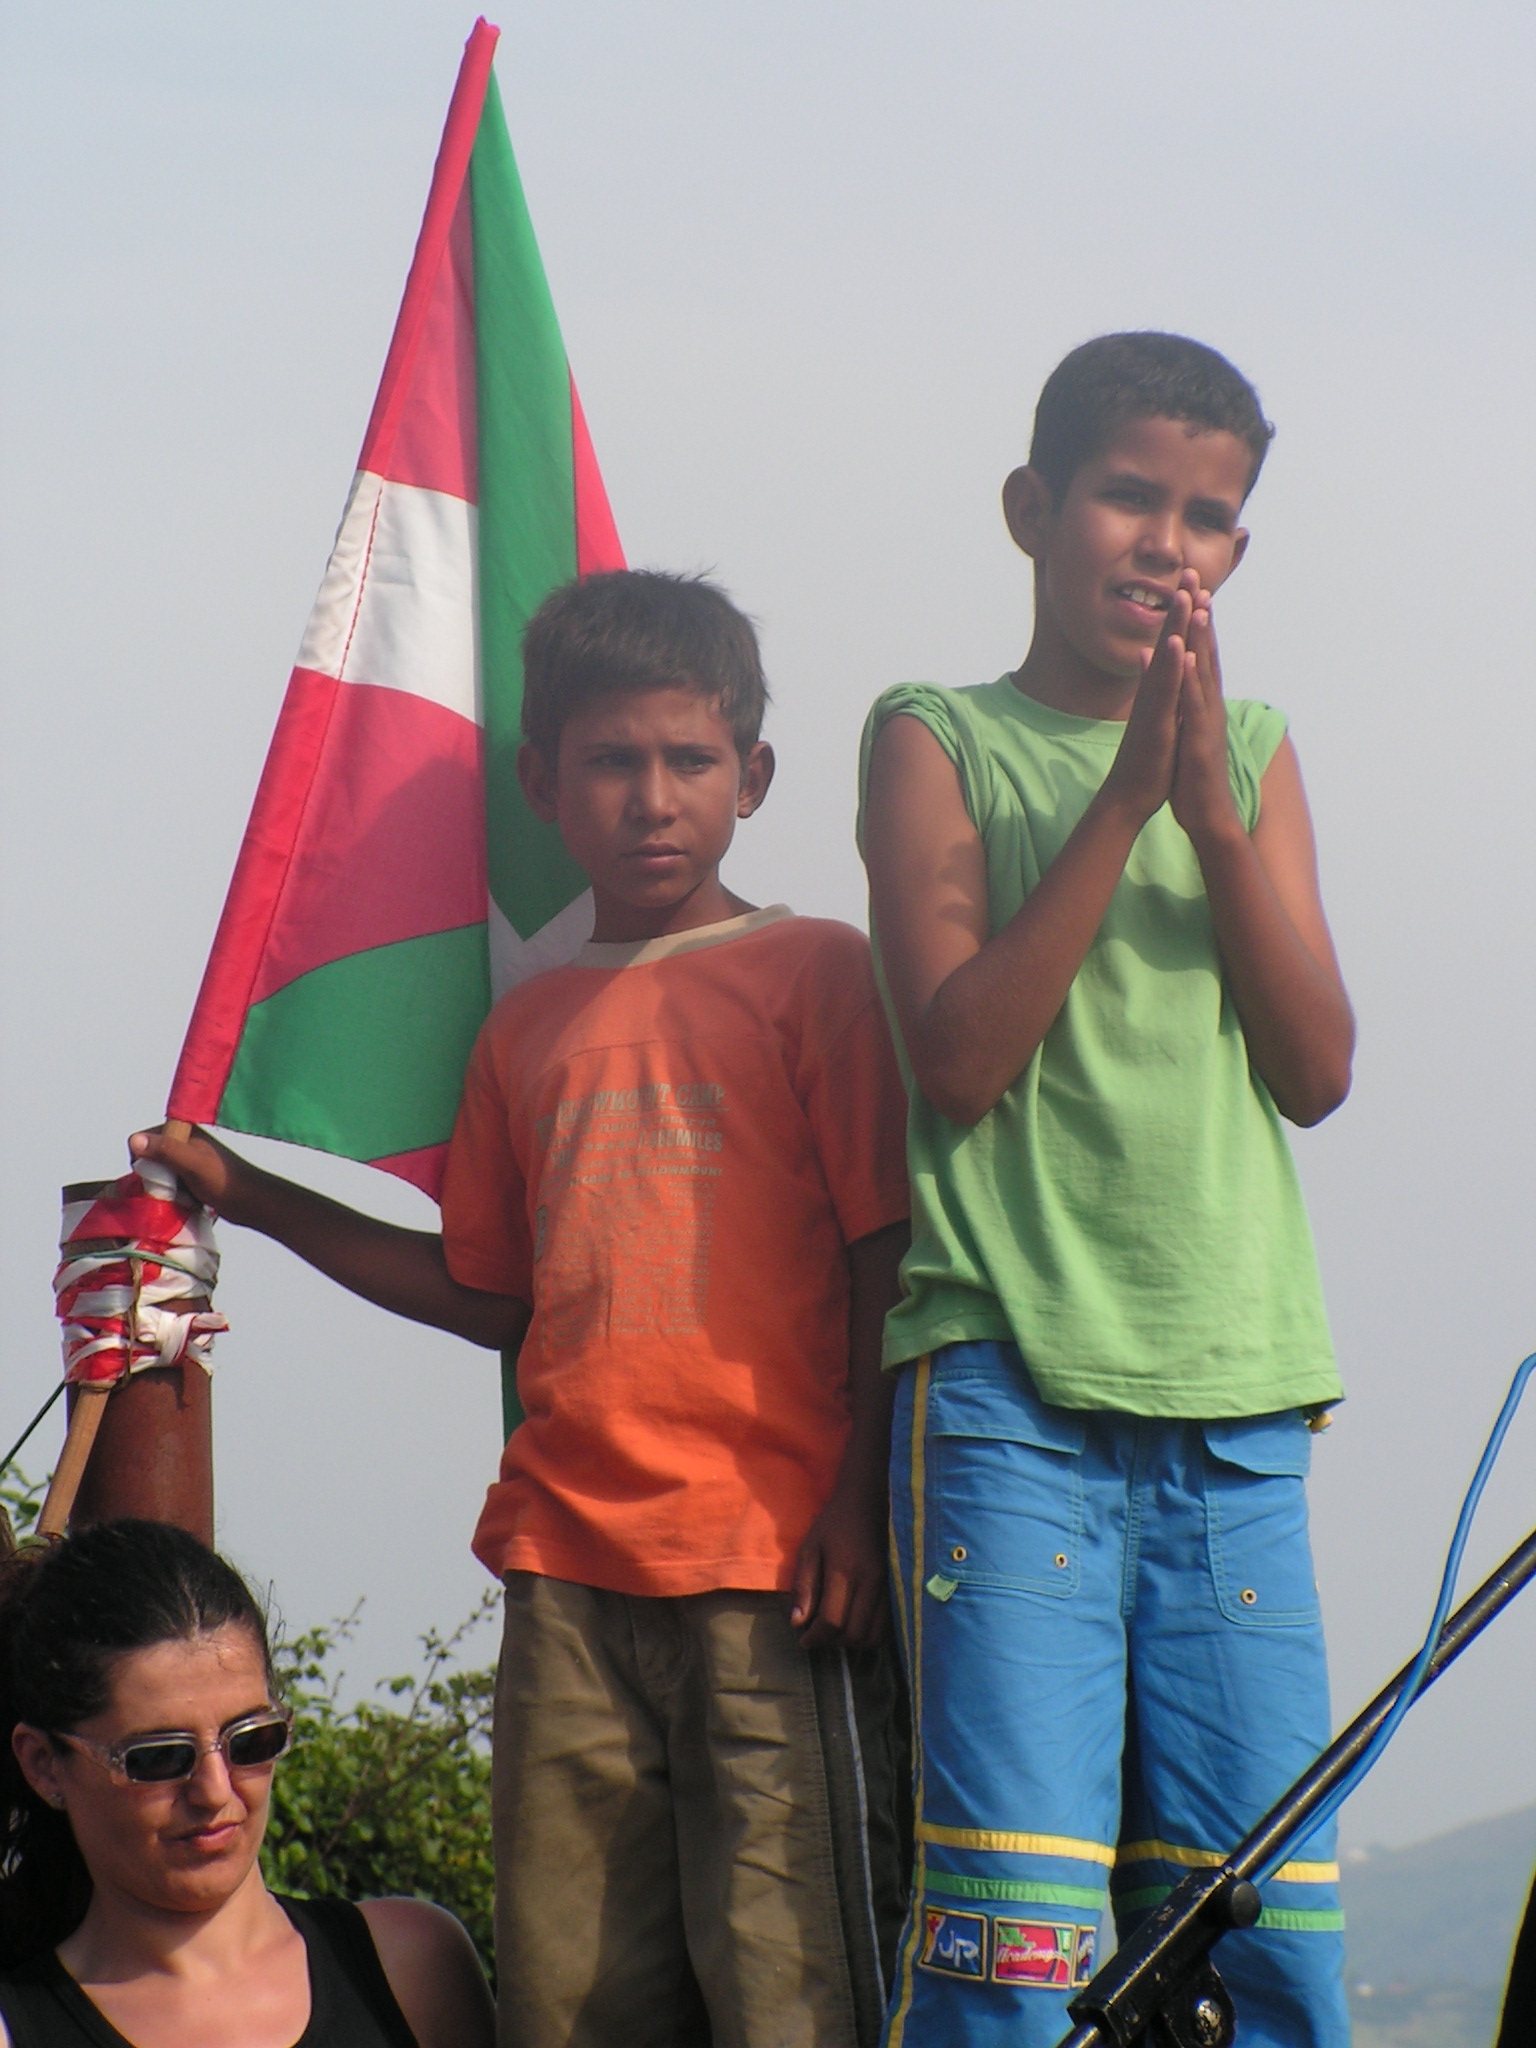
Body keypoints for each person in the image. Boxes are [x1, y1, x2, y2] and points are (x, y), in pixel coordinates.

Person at [134, 569, 914, 2048]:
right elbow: (489, 1293)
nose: (654, 798)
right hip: (565, 1572)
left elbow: (890, 1256)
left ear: (753, 775)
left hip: (770, 1574)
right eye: (613, 762)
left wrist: (859, 1505)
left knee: (790, 1982)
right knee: (573, 1996)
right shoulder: (527, 1028)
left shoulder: (815, 973)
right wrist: (251, 1189)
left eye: (691, 761)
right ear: (543, 783)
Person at [857, 332, 1355, 2048]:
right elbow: (959, 1057)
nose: (1166, 542)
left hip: (1234, 1403)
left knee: (1268, 1923)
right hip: (1009, 1394)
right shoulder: (938, 737)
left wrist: (1207, 816)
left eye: (1207, 515)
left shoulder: (1264, 751)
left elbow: (1315, 1067)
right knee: (1013, 1938)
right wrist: (1125, 794)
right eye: (1129, 494)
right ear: (1032, 507)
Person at [0, 1516, 494, 2048]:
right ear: (44, 1764)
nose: (215, 1791)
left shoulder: (413, 1967)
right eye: (160, 1757)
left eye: (251, 1741)